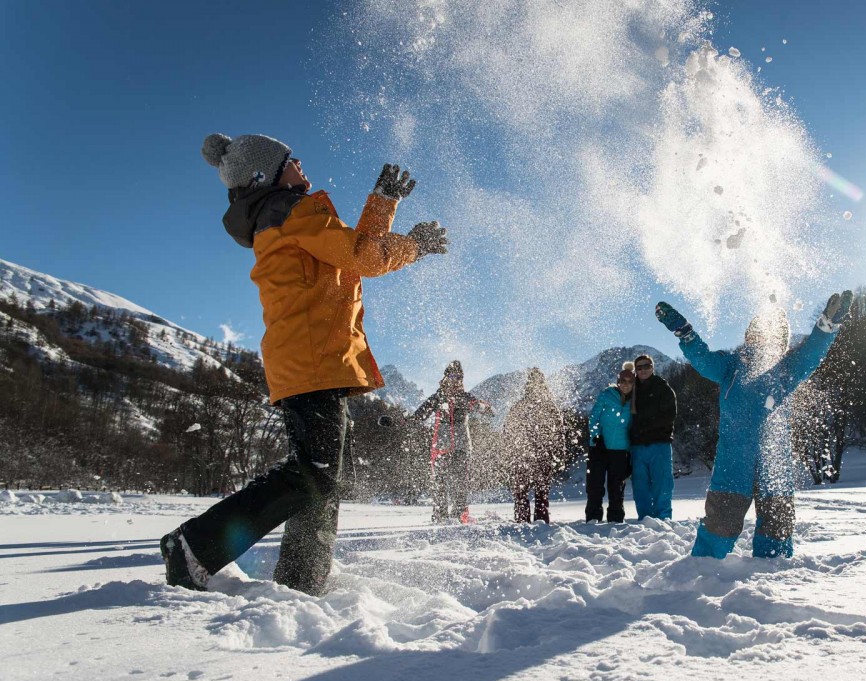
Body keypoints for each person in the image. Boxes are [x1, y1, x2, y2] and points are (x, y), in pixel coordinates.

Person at [161, 133, 448, 595]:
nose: (301, 165)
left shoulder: (284, 218)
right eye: (290, 160)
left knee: (322, 477)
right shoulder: (292, 211)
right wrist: (412, 244)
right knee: (313, 473)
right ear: (266, 174)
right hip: (313, 360)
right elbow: (361, 257)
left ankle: (303, 580)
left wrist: (383, 203)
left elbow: (349, 259)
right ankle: (195, 545)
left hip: (312, 362)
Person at [654, 291, 853, 559]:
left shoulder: (788, 368)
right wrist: (684, 331)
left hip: (775, 464)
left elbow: (810, 355)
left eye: (776, 333)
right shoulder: (730, 366)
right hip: (733, 462)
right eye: (760, 330)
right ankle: (699, 574)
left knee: (777, 531)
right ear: (751, 334)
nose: (766, 337)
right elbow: (702, 359)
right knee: (721, 525)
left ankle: (772, 580)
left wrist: (827, 327)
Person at [413, 361, 494, 523]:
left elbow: (485, 409)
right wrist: (400, 421)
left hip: (461, 447)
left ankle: (460, 514)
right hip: (440, 447)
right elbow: (418, 416)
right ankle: (440, 515)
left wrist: (482, 407)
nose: (455, 380)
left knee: (460, 482)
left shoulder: (465, 397)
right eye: (451, 375)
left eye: (458, 377)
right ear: (445, 377)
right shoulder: (438, 397)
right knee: (439, 483)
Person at [501, 367, 565, 523]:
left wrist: (559, 452)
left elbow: (558, 432)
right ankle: (525, 522)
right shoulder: (521, 406)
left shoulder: (549, 407)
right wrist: (508, 452)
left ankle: (539, 522)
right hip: (522, 455)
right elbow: (508, 431)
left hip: (540, 455)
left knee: (539, 494)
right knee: (523, 493)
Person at [628, 353, 677, 520]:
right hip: (637, 445)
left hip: (659, 443)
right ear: (635, 370)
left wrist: (645, 426)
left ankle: (663, 517)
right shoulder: (631, 390)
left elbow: (669, 415)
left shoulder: (663, 388)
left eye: (646, 366)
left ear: (652, 367)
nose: (643, 370)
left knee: (662, 482)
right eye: (639, 368)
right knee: (640, 485)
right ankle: (645, 519)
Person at [585, 362, 635, 523]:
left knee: (616, 488)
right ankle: (593, 518)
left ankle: (615, 519)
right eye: (623, 381)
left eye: (630, 382)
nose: (626, 385)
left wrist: (630, 451)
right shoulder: (607, 395)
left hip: (620, 451)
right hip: (599, 448)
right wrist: (596, 437)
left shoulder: (634, 401)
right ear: (618, 381)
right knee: (595, 486)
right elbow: (594, 417)